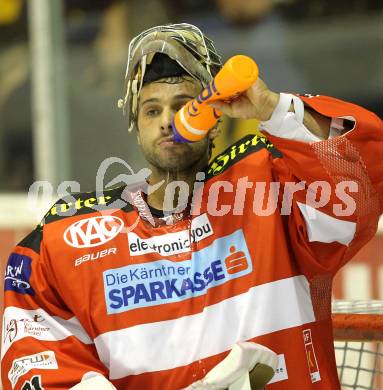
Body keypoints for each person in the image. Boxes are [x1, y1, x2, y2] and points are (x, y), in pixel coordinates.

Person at [2, 22, 382, 390]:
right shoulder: (68, 238)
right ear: (136, 126)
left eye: (183, 106)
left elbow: (360, 183)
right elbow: (34, 354)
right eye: (152, 110)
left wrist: (271, 108)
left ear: (214, 118)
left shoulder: (275, 186)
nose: (168, 121)